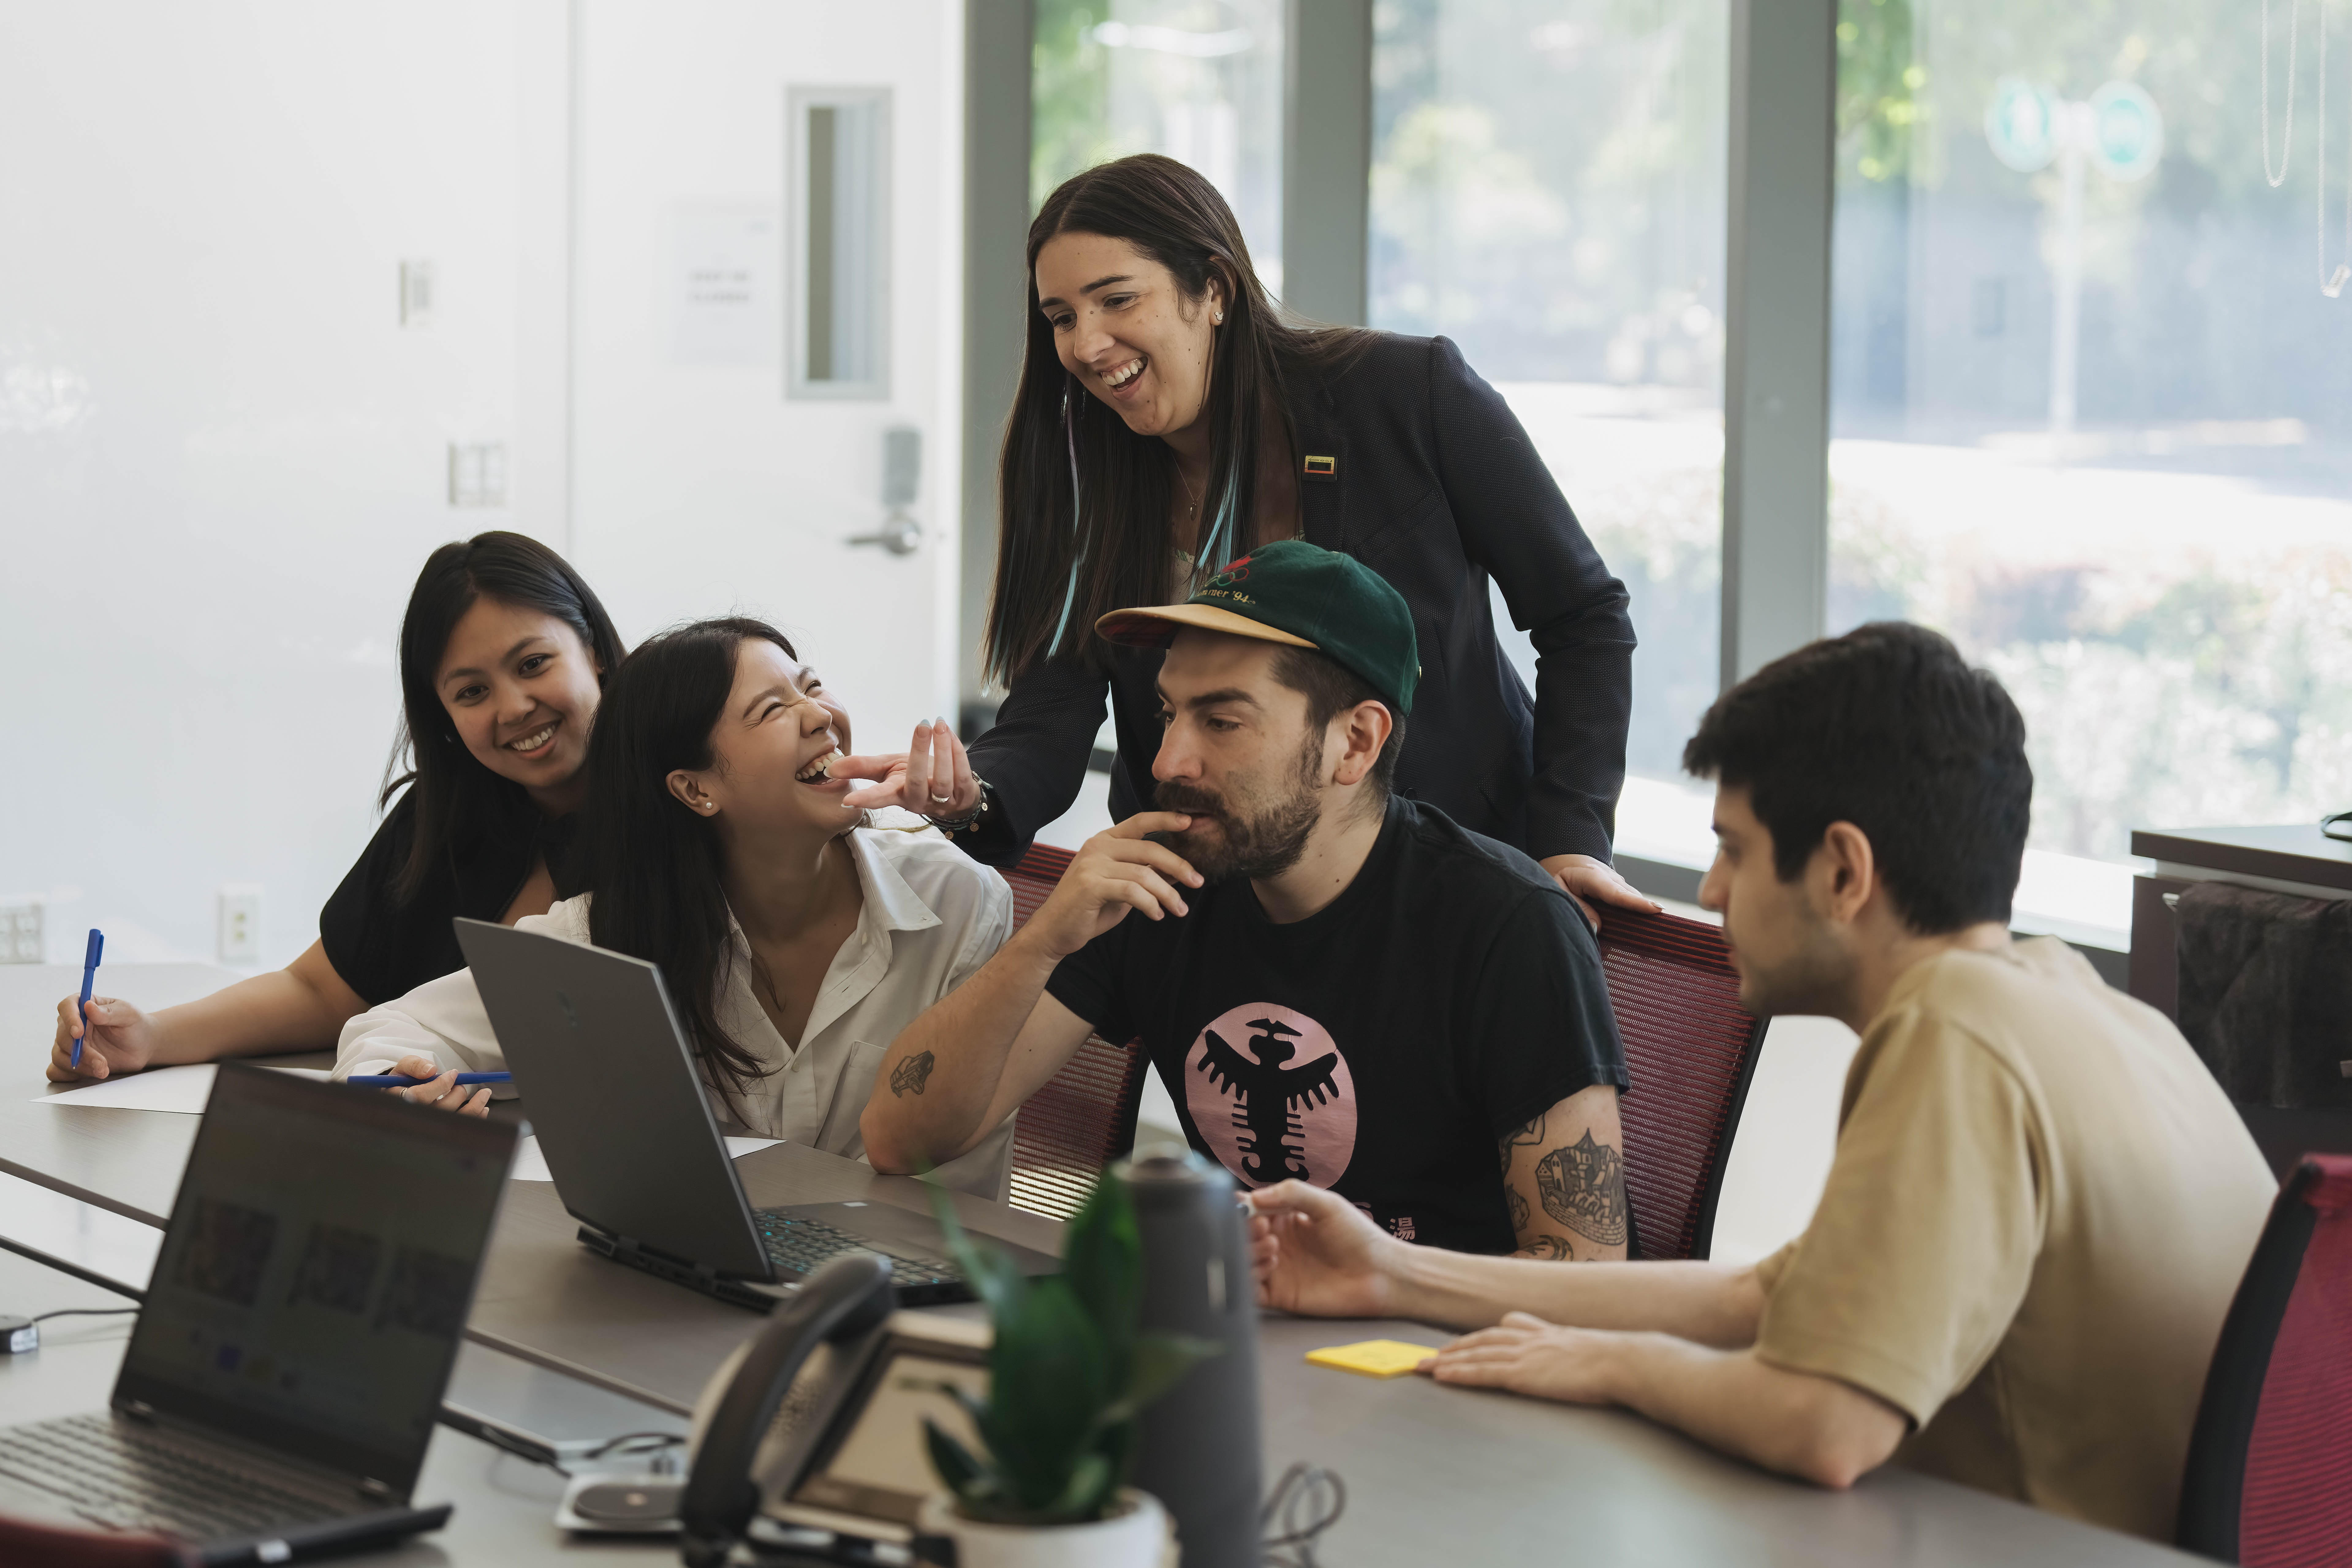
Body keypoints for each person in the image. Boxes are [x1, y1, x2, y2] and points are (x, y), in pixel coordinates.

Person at [1246, 622, 2278, 1541]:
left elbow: (1825, 1423)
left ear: (1840, 870)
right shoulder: (2093, 1013)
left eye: (1733, 850)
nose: (1708, 891)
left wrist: (1613, 1360)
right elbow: (1764, 1294)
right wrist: (1388, 1274)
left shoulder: (1950, 1029)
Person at [833, 153, 1655, 931]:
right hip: (1218, 906)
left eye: (1116, 299)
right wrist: (967, 792)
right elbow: (1049, 715)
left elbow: (1582, 616)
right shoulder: (1092, 481)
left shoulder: (1404, 395)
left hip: (1458, 874)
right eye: (1060, 317)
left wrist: (1569, 835)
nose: (1085, 343)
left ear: (1214, 289)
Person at [863, 542, 1628, 1255]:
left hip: (1445, 1366)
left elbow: (1585, 1285)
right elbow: (901, 1143)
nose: (1167, 759)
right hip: (1236, 1336)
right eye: (1168, 714)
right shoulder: (1162, 882)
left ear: (1354, 743)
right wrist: (1043, 941)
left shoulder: (1509, 926)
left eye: (1221, 721)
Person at [331, 618, 1017, 1191]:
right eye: (772, 709)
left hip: (896, 1291)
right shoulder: (617, 927)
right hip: (693, 1289)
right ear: (694, 791)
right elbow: (396, 1030)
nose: (820, 715)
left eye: (810, 685)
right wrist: (401, 1087)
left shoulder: (956, 900)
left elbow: (958, 1183)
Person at [49, 532, 625, 1083]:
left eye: (533, 664)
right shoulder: (446, 817)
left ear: (592, 650)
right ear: (443, 713)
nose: (514, 708)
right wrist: (149, 1038)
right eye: (472, 692)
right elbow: (323, 989)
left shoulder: (681, 807)